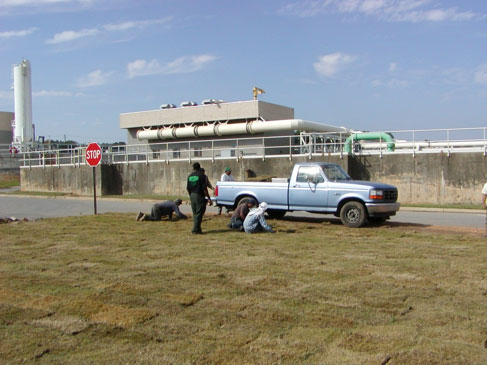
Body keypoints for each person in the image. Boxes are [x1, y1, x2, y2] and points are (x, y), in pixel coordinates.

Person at [187, 162, 212, 234]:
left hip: (192, 195)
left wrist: (191, 195)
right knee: (199, 213)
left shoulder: (190, 176)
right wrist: (209, 198)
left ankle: (198, 229)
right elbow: (205, 189)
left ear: (193, 168)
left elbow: (188, 188)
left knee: (195, 213)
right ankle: (194, 230)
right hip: (199, 195)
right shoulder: (202, 176)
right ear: (199, 167)